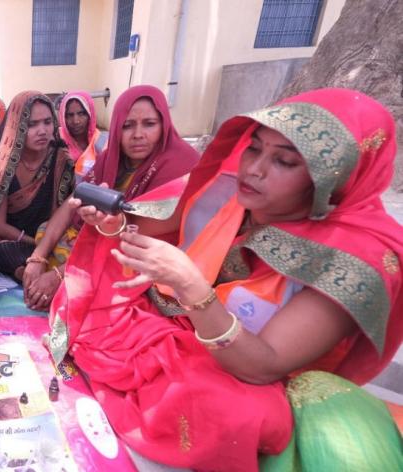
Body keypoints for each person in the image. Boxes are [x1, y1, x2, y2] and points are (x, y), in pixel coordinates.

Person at [48, 89, 403, 470]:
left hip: (243, 365)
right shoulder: (229, 189)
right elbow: (145, 230)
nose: (254, 169)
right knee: (101, 280)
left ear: (334, 179)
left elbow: (262, 366)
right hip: (175, 322)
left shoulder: (354, 261)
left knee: (239, 415)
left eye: (283, 160)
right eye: (254, 148)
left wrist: (192, 288)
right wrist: (114, 224)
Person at [23, 86, 199, 310]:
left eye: (149, 124)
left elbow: (133, 236)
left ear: (164, 124)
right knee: (43, 235)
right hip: (99, 242)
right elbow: (74, 201)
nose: (138, 135)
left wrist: (60, 275)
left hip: (140, 257)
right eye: (127, 125)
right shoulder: (112, 158)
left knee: (86, 297)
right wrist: (37, 258)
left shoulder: (180, 164)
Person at [0, 91, 75, 297]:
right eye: (32, 124)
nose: (42, 131)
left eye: (47, 122)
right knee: (1, 251)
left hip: (51, 237)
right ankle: (35, 282)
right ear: (17, 125)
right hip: (20, 241)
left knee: (72, 251)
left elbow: (60, 216)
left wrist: (44, 246)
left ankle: (38, 280)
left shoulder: (61, 160)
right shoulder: (5, 162)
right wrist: (35, 246)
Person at [58, 91, 108, 183]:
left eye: (81, 114)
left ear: (90, 115)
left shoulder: (101, 141)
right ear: (63, 117)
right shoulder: (56, 140)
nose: (76, 121)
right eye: (70, 115)